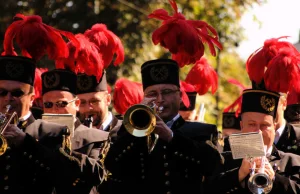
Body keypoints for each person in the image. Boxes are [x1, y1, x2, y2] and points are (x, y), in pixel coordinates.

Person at [99, 58, 223, 194]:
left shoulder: (203, 131)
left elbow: (213, 166)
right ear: (144, 98)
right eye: (152, 94)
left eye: (167, 92)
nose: (160, 99)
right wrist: (138, 126)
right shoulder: (129, 132)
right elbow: (112, 165)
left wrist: (171, 137)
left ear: (180, 96)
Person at [0, 56, 83, 194]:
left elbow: (69, 175)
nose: (8, 98)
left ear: (32, 99)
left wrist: (26, 142)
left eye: (17, 93)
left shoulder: (52, 132)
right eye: (2, 92)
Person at [204, 89, 300, 194]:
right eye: (251, 124)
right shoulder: (223, 160)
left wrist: (275, 179)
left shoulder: (293, 162)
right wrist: (239, 174)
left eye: (265, 125)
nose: (258, 131)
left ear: (274, 127)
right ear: (242, 126)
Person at [42, 69, 109, 194]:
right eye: (48, 105)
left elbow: (96, 175)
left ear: (77, 104)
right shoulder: (35, 134)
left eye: (61, 104)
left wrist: (62, 151)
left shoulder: (97, 137)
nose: (54, 110)